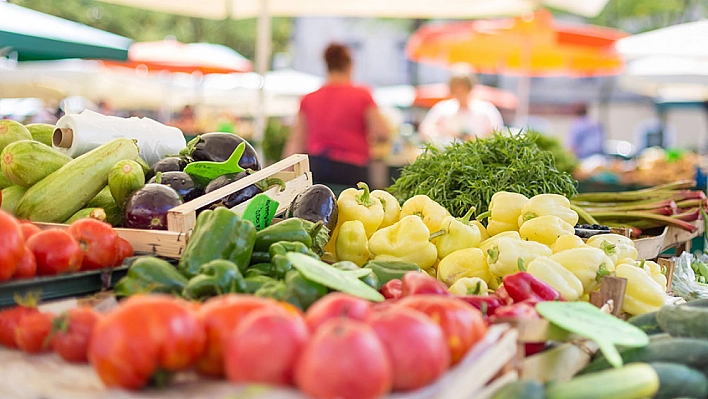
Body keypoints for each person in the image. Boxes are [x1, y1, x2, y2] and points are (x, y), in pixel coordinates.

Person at [283, 42, 390, 187]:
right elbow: (382, 131)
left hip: (317, 167)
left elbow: (296, 141)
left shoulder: (309, 99)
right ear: (350, 66)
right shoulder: (362, 95)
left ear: (327, 66)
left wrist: (285, 176)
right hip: (352, 168)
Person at [418, 71, 504, 147]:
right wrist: (444, 134)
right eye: (456, 90)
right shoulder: (442, 109)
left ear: (470, 88)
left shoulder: (486, 110)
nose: (460, 93)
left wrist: (477, 139)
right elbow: (425, 129)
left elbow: (497, 134)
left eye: (463, 89)